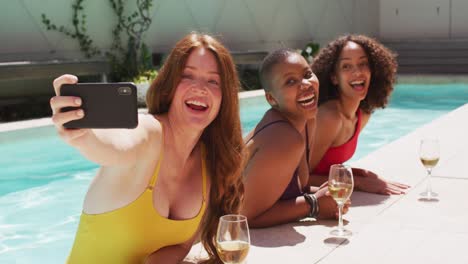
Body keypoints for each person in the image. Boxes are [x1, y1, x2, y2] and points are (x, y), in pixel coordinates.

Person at [50, 33, 245, 263]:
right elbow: (117, 144)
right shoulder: (149, 133)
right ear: (170, 85)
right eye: (187, 76)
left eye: (213, 81)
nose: (200, 88)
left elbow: (180, 245)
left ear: (225, 97)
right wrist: (83, 135)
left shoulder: (210, 162)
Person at [241, 48, 348, 228]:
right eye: (290, 81)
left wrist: (327, 196)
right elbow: (246, 217)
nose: (306, 84)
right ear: (272, 99)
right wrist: (314, 204)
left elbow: (296, 190)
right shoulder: (283, 138)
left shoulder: (306, 121)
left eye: (307, 74)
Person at [308, 34, 410, 195]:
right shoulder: (329, 117)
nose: (357, 72)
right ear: (334, 77)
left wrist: (363, 174)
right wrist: (359, 182)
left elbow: (326, 166)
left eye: (363, 64)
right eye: (346, 66)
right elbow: (299, 179)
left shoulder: (362, 115)